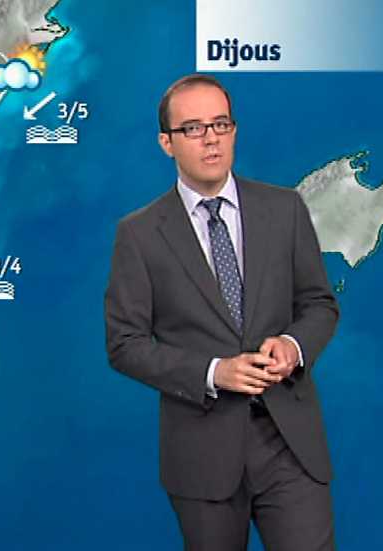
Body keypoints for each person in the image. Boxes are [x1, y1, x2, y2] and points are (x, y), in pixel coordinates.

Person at [104, 74, 340, 550]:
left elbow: (319, 304)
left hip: (289, 443)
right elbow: (124, 344)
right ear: (167, 143)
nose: (210, 138)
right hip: (202, 454)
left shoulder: (285, 209)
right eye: (193, 128)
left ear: (233, 131)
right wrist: (214, 372)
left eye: (220, 124)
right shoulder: (140, 234)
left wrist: (292, 346)